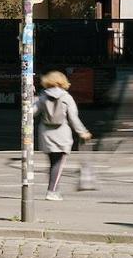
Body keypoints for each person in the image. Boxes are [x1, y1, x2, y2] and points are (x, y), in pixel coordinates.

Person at [37, 70, 92, 201]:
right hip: (61, 133)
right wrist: (82, 132)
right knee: (58, 164)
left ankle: (54, 189)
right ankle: (52, 191)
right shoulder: (66, 97)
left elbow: (32, 111)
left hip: (45, 133)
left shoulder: (42, 96)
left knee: (52, 163)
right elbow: (73, 118)